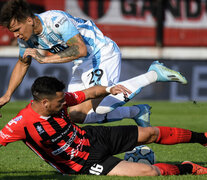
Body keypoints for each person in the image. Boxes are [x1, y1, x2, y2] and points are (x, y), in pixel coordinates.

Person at [0, 0, 187, 125]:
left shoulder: (56, 21)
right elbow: (23, 63)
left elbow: (80, 49)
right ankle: (137, 112)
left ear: (29, 20)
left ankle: (153, 74)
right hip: (81, 64)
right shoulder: (27, 38)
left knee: (101, 106)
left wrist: (45, 59)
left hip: (101, 53)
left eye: (17, 29)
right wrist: (7, 95)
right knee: (74, 115)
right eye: (12, 31)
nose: (16, 35)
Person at [0, 76, 207, 176]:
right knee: (149, 172)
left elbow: (89, 93)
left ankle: (203, 138)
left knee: (150, 133)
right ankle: (189, 167)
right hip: (84, 163)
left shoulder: (61, 100)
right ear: (44, 103)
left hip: (93, 137)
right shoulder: (21, 123)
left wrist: (109, 89)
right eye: (60, 102)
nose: (65, 103)